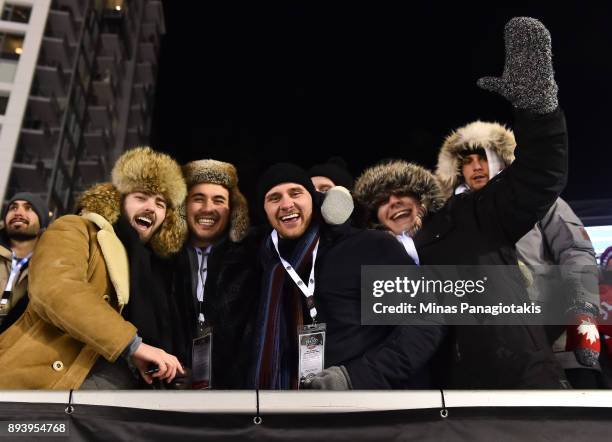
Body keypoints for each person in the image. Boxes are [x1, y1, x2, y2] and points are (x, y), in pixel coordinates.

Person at [354, 17, 569, 388]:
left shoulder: (471, 216)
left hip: (518, 379)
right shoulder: (372, 257)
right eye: (382, 202)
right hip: (437, 393)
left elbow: (540, 176)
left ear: (421, 199)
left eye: (401, 194)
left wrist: (538, 110)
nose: (394, 204)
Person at [0, 147, 187, 389]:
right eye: (141, 197)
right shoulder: (77, 228)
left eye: (160, 203)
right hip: (44, 385)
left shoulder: (153, 272)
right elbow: (56, 289)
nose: (151, 207)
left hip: (114, 400)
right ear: (118, 201)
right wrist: (133, 345)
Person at [435, 119, 602, 386]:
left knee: (578, 423)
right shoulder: (448, 219)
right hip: (494, 352)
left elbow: (575, 249)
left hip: (556, 338)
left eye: (483, 157)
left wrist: (581, 309)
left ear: (500, 159)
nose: (476, 166)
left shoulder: (537, 201)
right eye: (467, 161)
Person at [251, 163, 444, 389]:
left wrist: (354, 378)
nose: (286, 204)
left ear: (314, 200)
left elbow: (426, 322)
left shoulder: (369, 246)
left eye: (296, 193)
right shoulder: (267, 264)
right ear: (264, 210)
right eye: (274, 198)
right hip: (297, 413)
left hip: (373, 410)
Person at [173, 159, 261, 388]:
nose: (207, 208)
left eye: (218, 200)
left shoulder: (253, 260)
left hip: (233, 395)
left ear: (233, 209)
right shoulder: (163, 260)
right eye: (198, 198)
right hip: (168, 393)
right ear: (183, 206)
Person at [0, 193, 49, 332]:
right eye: (13, 208)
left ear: (42, 222)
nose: (18, 213)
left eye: (28, 208)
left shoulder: (48, 264)